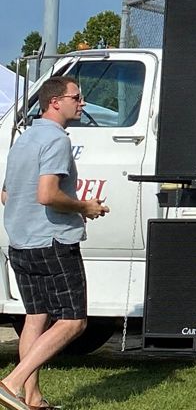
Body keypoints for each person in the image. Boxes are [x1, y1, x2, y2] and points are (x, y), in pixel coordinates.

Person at [1, 76, 109, 410]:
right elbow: (47, 194)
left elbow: (6, 194)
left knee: (36, 318)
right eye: (77, 97)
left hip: (20, 242)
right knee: (74, 321)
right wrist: (84, 207)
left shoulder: (24, 138)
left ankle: (32, 399)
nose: (83, 102)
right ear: (55, 102)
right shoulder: (56, 141)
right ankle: (11, 383)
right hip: (53, 242)